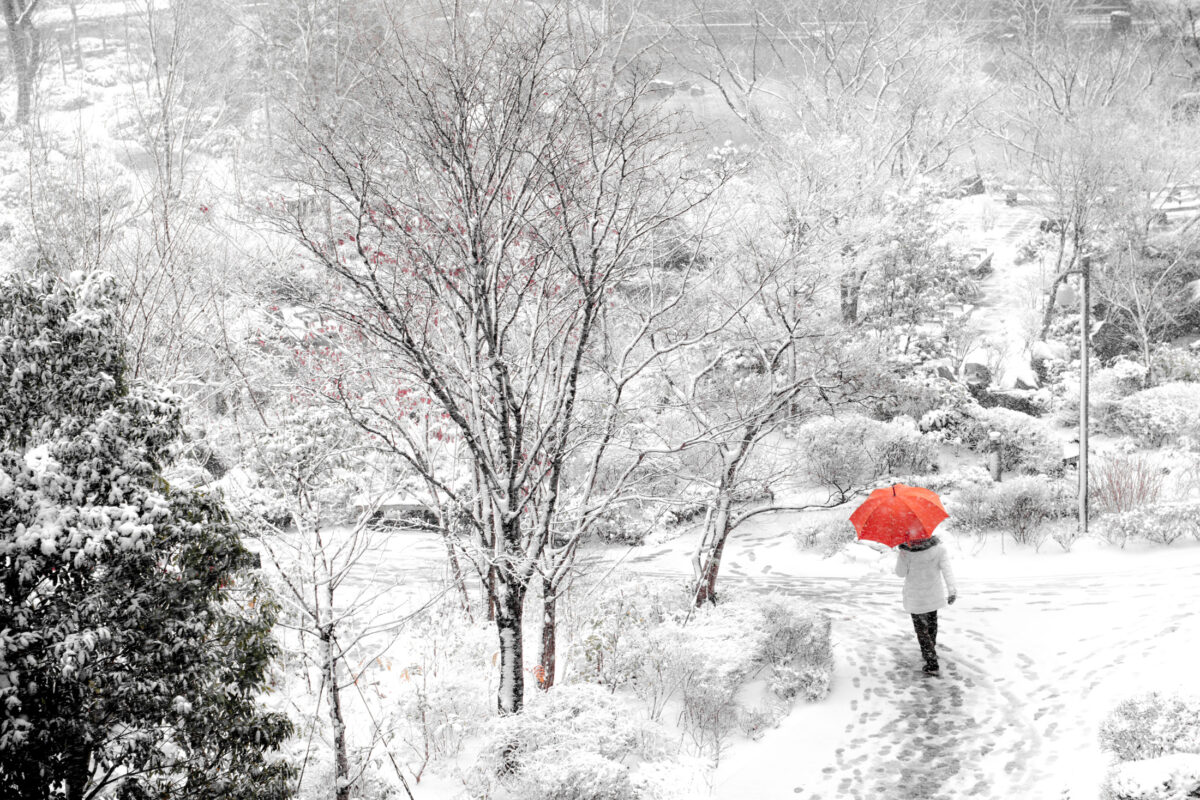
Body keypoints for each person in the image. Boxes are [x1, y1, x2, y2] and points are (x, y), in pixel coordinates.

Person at [894, 534, 957, 675]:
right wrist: (952, 589)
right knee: (931, 625)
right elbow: (947, 570)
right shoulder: (939, 549)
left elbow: (900, 573)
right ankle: (930, 650)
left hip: (916, 597)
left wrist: (902, 555)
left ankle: (931, 661)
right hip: (933, 595)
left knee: (922, 630)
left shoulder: (907, 552)